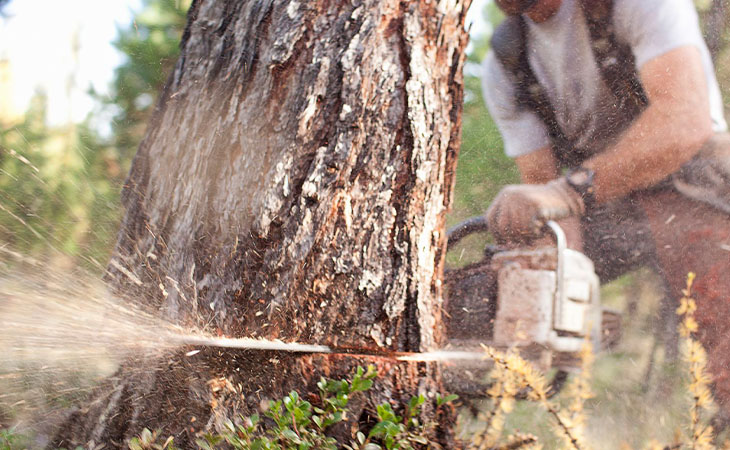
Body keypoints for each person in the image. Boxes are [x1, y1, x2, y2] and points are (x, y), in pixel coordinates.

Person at [482, 0, 730, 417]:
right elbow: (543, 196)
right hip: (604, 202)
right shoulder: (506, 63)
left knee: (718, 300)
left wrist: (570, 190)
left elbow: (685, 120)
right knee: (519, 269)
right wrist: (570, 294)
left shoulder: (640, 5)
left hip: (693, 181)